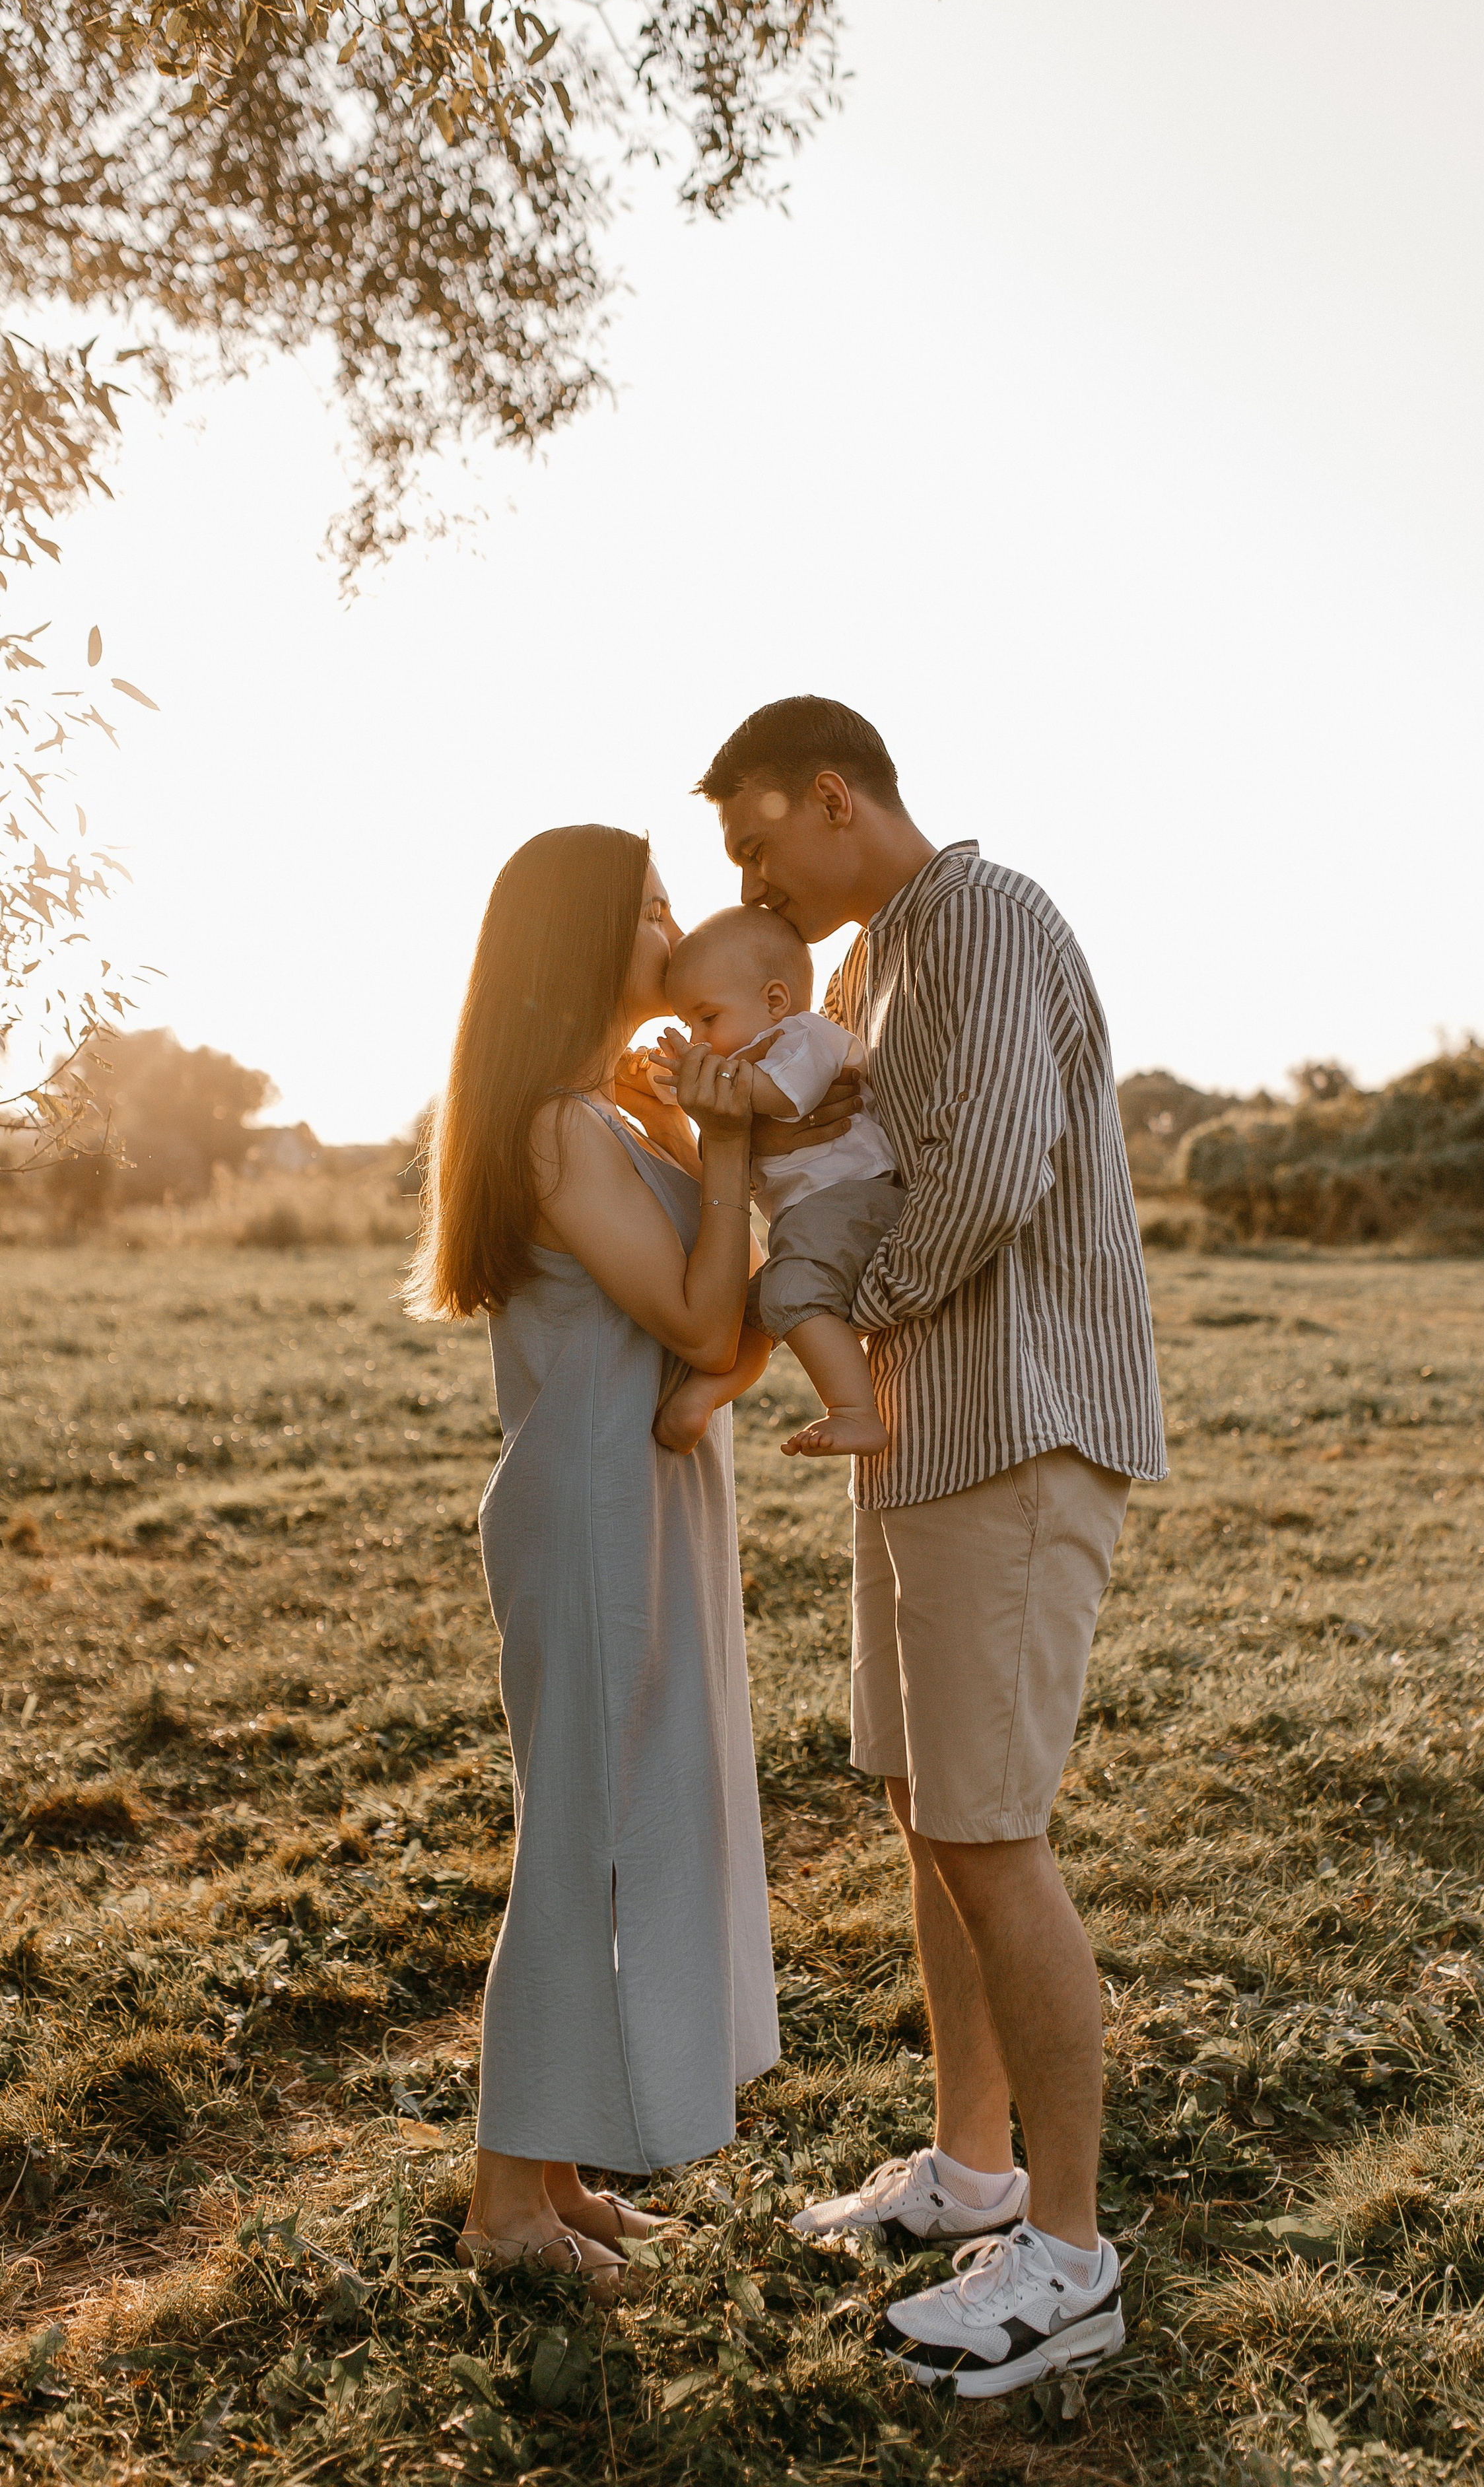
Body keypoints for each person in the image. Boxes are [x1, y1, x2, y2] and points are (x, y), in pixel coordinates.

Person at [696, 696, 1167, 2398]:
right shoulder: (867, 967)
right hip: (929, 1439)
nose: (746, 872)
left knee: (988, 1827)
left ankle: (1068, 2248)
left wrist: (850, 1318)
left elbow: (984, 1173)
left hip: (1016, 1421)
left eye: (755, 837)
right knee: (924, 1813)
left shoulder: (972, 915)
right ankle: (970, 2166)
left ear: (833, 796)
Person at [405, 824, 780, 2289]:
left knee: (615, 1823)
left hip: (647, 1494)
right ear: (573, 945)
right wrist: (733, 1136)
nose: (675, 934)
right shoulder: (560, 1131)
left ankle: (554, 2174)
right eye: (647, 910)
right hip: (589, 1507)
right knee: (581, 1833)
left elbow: (730, 1303)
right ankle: (506, 2207)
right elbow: (701, 1326)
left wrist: (694, 1135)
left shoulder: (607, 1122)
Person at [652, 903, 907, 1460]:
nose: (698, 1037)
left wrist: (709, 1084)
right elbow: (730, 1154)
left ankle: (857, 1413)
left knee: (791, 1290)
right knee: (750, 1310)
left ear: (774, 1000)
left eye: (708, 1019)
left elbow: (782, 1097)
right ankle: (704, 1395)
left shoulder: (804, 1036)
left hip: (854, 1200)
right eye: (690, 1024)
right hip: (813, 1218)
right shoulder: (748, 1060)